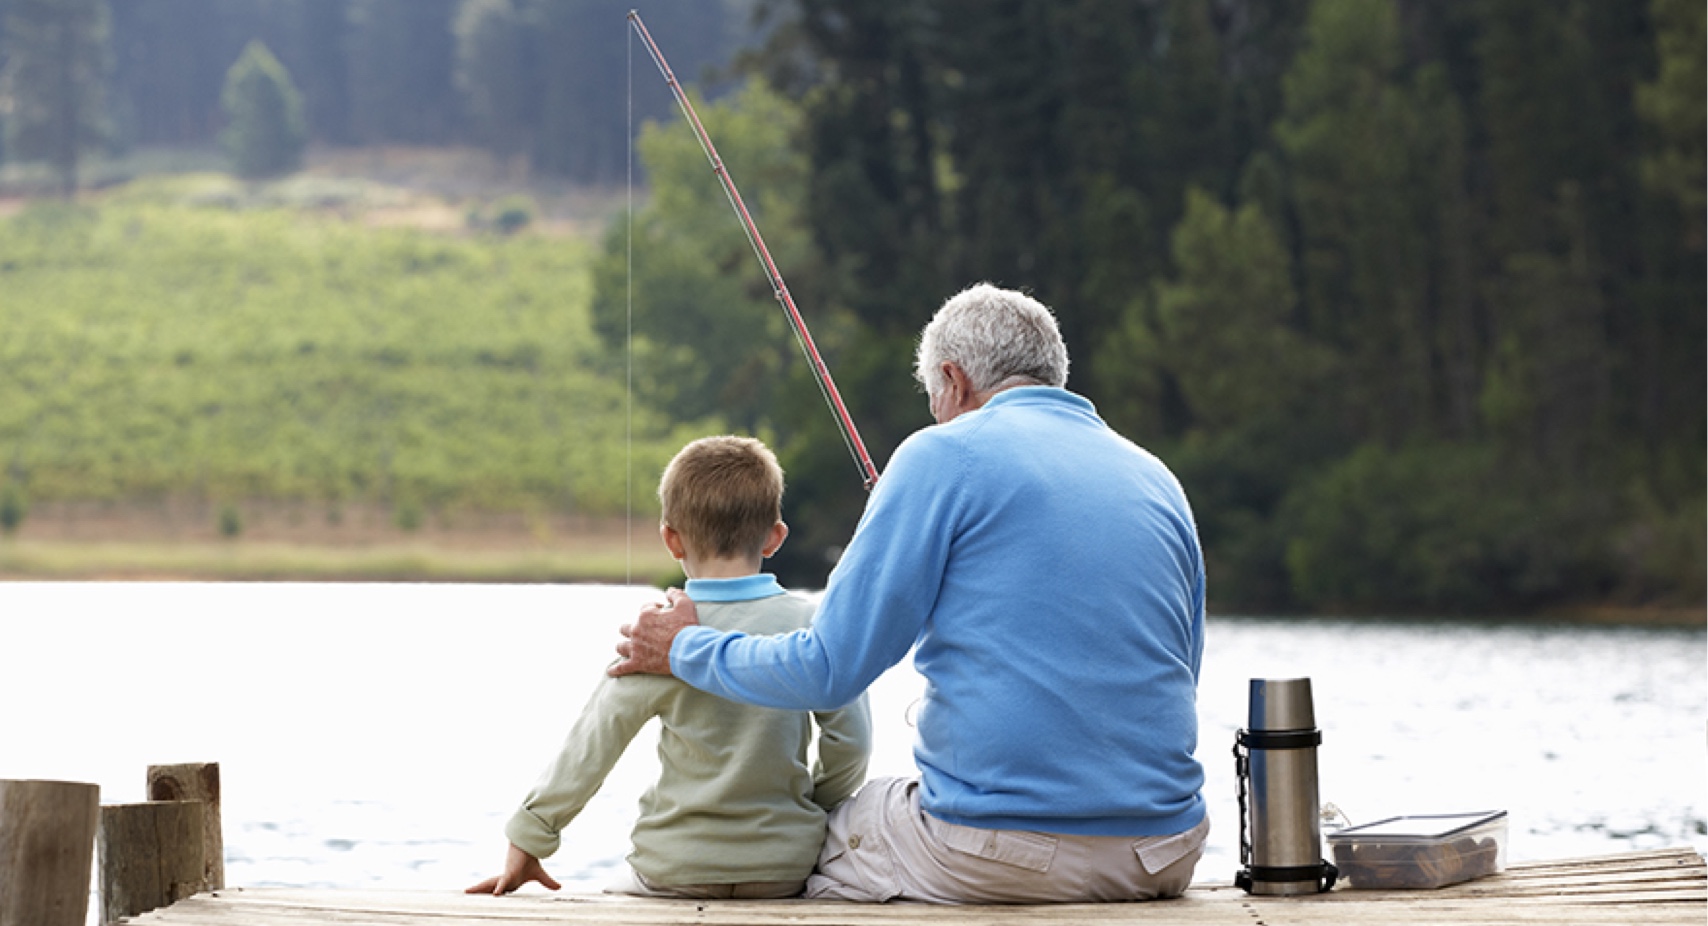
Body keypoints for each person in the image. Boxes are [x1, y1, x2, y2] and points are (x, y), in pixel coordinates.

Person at [612, 283, 1209, 903]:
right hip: (1164, 851)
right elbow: (1178, 675)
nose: (935, 417)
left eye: (933, 401)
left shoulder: (941, 454)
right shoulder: (1156, 477)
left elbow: (827, 669)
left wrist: (685, 647)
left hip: (999, 851)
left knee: (809, 849)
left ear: (953, 381)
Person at [468, 435, 871, 899]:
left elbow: (593, 743)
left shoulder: (655, 635)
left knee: (611, 897)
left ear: (670, 539)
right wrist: (810, 810)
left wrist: (530, 836)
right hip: (784, 866)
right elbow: (852, 743)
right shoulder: (810, 625)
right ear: (776, 536)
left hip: (676, 867)